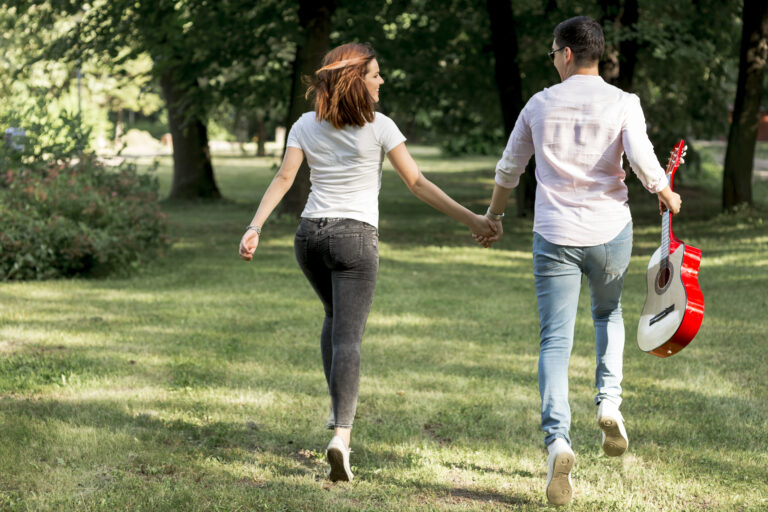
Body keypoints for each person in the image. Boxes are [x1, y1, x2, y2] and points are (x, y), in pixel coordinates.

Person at [238, 42, 496, 482]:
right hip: (354, 239)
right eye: (375, 74)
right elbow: (417, 183)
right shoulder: (380, 126)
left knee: (334, 318)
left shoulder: (305, 124)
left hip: (309, 237)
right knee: (349, 337)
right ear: (356, 79)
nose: (381, 80)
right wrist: (474, 219)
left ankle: (337, 413)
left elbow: (285, 177)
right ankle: (342, 435)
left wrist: (254, 226)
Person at [475, 16, 682, 506]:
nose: (553, 60)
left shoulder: (539, 104)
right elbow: (642, 159)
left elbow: (509, 169)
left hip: (554, 235)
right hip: (610, 232)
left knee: (555, 339)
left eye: (553, 53)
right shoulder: (623, 102)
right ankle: (609, 401)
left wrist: (493, 217)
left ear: (566, 54)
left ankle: (558, 442)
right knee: (608, 314)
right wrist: (664, 190)